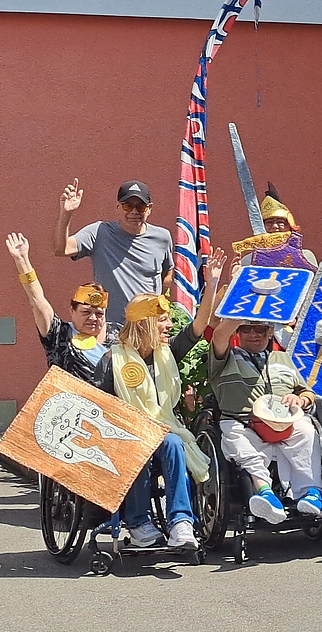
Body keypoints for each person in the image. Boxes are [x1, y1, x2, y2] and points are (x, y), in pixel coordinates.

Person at [90, 249, 226, 549]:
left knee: (173, 442)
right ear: (144, 324)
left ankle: (180, 522)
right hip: (124, 435)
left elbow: (199, 325)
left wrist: (213, 282)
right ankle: (138, 522)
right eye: (162, 320)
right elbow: (98, 406)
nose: (169, 326)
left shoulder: (168, 354)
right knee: (142, 445)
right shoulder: (112, 360)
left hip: (163, 432)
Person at [209, 314, 322, 524]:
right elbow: (219, 335)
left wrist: (300, 399)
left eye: (260, 329)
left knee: (307, 431)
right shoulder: (225, 357)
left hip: (285, 420)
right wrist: (246, 309)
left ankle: (312, 493)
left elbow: (306, 392)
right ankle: (265, 494)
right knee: (238, 438)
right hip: (243, 420)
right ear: (237, 332)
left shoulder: (282, 358)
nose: (253, 334)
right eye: (246, 329)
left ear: (270, 332)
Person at [52, 179, 174, 320]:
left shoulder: (162, 237)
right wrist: (66, 214)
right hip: (111, 328)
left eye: (141, 207)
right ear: (117, 207)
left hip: (148, 326)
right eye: (128, 206)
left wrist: (157, 305)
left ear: (149, 209)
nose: (134, 212)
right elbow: (61, 249)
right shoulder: (99, 232)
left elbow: (167, 273)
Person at [8, 233, 117, 379]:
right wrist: (22, 260)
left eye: (99, 313)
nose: (93, 318)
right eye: (86, 312)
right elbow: (37, 301)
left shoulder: (119, 334)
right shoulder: (59, 333)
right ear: (72, 311)